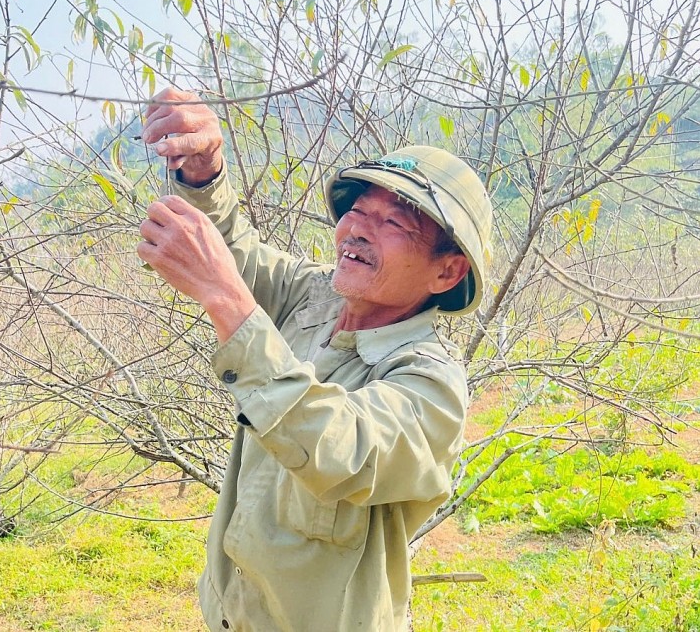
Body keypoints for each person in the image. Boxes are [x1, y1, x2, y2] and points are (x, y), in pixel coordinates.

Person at [137, 88, 493, 631]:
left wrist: (226, 299)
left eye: (395, 223)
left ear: (447, 272)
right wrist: (203, 172)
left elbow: (339, 445)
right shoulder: (316, 298)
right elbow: (233, 249)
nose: (357, 228)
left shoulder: (431, 382)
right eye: (357, 209)